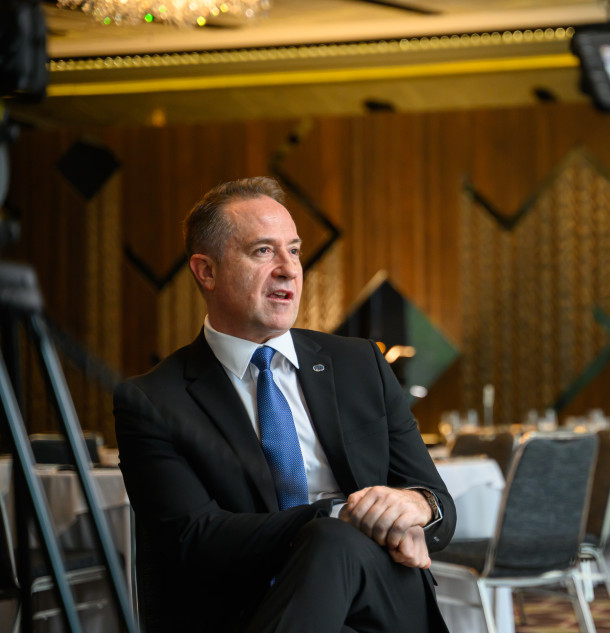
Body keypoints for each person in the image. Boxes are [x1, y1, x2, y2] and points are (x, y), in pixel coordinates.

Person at [114, 177, 456, 633]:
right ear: (206, 271)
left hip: (382, 600)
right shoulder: (154, 399)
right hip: (247, 608)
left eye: (293, 251)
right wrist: (339, 515)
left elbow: (438, 502)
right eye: (263, 251)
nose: (289, 269)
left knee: (335, 541)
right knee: (331, 537)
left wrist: (414, 506)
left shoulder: (360, 364)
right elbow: (193, 536)